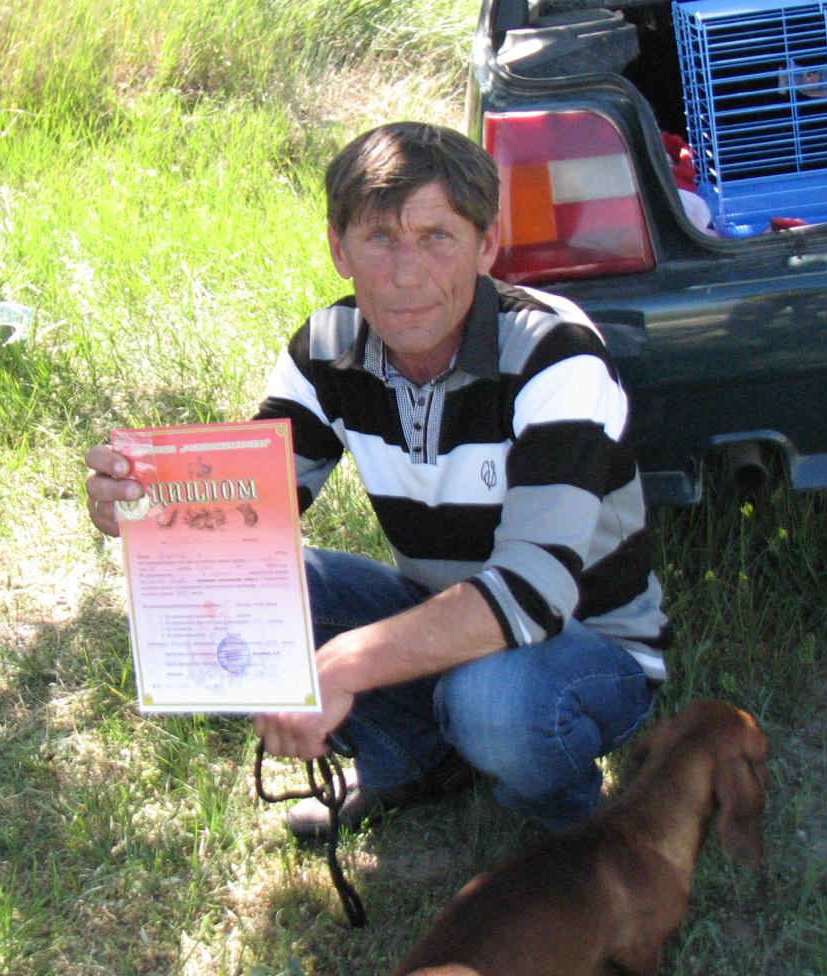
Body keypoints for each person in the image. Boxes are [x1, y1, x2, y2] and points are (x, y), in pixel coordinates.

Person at [85, 122, 669, 837]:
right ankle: (413, 760)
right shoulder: (327, 349)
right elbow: (243, 523)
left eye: (437, 238)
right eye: (381, 239)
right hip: (441, 615)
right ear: (339, 249)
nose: (406, 274)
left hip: (586, 643)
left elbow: (533, 594)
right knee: (223, 604)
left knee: (493, 701)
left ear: (487, 245)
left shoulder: (555, 354)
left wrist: (341, 667)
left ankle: (567, 826)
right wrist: (148, 511)